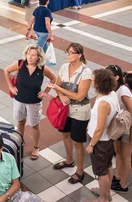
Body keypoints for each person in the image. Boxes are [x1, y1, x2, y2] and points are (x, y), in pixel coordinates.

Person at [46, 43, 92, 184]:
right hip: (65, 109)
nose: (68, 54)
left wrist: (60, 90)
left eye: (71, 53)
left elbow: (79, 96)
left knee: (77, 142)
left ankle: (80, 171)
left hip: (79, 111)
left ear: (79, 55)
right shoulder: (64, 67)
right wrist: (60, 95)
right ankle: (69, 160)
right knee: (65, 136)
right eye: (67, 52)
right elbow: (58, 86)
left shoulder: (86, 72)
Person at [4, 45, 56, 161]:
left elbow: (53, 78)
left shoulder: (42, 68)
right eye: (28, 54)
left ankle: (36, 147)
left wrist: (46, 92)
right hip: (19, 99)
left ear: (38, 57)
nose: (30, 57)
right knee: (20, 122)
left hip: (34, 102)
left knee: (34, 125)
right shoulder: (20, 64)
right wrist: (11, 87)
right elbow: (6, 70)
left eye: (33, 55)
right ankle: (20, 142)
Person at [0, 132, 40, 202]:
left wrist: (6, 196)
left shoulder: (10, 158)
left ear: (1, 148)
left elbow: (16, 184)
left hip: (12, 195)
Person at [86, 69, 119, 202]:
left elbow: (99, 129)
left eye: (93, 81)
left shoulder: (104, 103)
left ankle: (103, 198)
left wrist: (91, 145)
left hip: (100, 141)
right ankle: (106, 192)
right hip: (107, 140)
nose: (92, 83)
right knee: (108, 166)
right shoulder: (111, 94)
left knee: (101, 172)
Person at [105, 65, 132, 194]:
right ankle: (118, 177)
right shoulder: (112, 88)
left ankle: (124, 184)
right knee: (118, 153)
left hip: (129, 128)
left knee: (126, 157)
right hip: (118, 127)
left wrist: (131, 135)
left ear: (117, 77)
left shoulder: (123, 91)